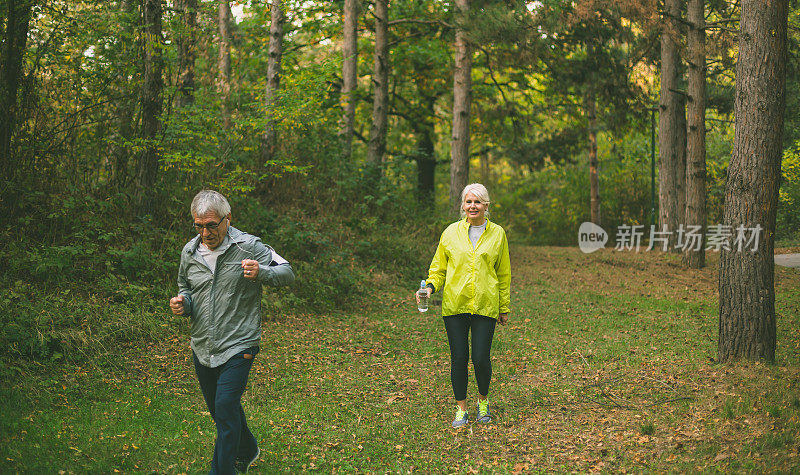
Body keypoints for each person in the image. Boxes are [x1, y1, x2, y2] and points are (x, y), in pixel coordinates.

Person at [169, 190, 295, 474]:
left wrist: (262, 271)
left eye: (211, 225)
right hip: (203, 344)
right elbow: (185, 289)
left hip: (240, 343)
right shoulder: (189, 252)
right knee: (221, 410)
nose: (205, 232)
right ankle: (248, 449)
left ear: (227, 220)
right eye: (199, 225)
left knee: (225, 405)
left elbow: (287, 272)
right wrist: (182, 304)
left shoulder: (249, 246)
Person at [416, 183, 511, 428]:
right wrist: (429, 287)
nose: (473, 206)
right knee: (459, 358)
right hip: (455, 305)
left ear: (486, 206)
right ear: (463, 206)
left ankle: (482, 403)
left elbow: (503, 273)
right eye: (468, 202)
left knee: (480, 358)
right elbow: (438, 269)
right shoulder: (450, 233)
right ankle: (461, 410)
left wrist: (504, 307)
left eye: (477, 202)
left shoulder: (498, 234)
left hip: (485, 305)